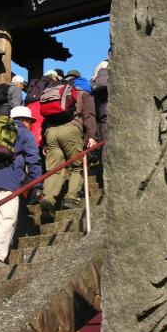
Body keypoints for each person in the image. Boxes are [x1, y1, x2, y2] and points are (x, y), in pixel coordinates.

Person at [0, 106, 42, 267]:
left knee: (0, 213)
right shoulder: (23, 131)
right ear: (25, 120)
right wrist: (37, 184)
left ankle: (3, 244)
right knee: (7, 215)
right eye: (30, 121)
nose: (30, 124)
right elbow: (33, 158)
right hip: (8, 177)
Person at [40, 69, 96, 223]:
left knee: (54, 169)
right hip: (71, 130)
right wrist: (91, 136)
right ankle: (71, 198)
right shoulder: (83, 92)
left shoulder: (56, 90)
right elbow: (89, 115)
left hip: (51, 132)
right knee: (77, 165)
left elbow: (45, 117)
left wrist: (45, 140)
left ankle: (48, 199)